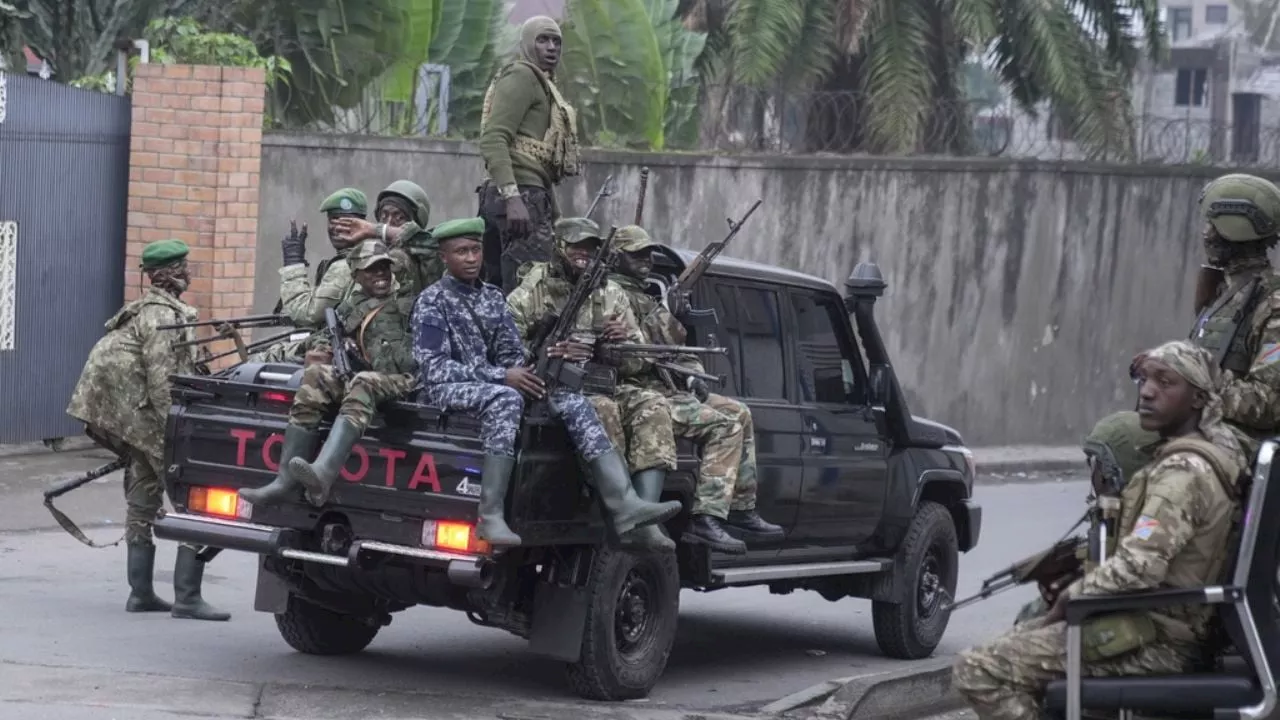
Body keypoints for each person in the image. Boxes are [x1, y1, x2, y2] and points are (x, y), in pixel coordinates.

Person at [952, 340, 1247, 720]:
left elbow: (1139, 568)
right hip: (1156, 626)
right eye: (1144, 379)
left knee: (977, 669)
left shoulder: (1185, 472)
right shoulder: (1206, 454)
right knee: (1017, 639)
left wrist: (1071, 598)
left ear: (1197, 399)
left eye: (1165, 382)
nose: (1147, 391)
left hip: (1156, 641)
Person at [412, 218, 681, 546]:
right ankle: (490, 514)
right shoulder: (432, 300)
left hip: (492, 383)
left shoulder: (493, 298)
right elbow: (433, 368)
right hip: (445, 388)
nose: (471, 258)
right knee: (507, 399)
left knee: (569, 395)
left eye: (476, 250)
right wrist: (503, 376)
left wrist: (538, 366)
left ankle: (623, 502)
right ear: (444, 256)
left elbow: (511, 353)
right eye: (461, 252)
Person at [65, 239, 230, 621]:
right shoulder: (160, 316)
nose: (189, 272)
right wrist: (175, 432)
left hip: (136, 423)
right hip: (154, 421)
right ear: (168, 274)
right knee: (194, 500)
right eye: (184, 266)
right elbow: (163, 382)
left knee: (143, 500)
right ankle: (187, 597)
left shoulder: (150, 311)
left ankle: (141, 594)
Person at [506, 218, 682, 552]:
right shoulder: (534, 287)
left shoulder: (610, 292)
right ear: (559, 247)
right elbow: (504, 344)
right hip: (556, 385)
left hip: (603, 381)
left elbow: (640, 360)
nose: (583, 254)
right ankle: (616, 508)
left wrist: (618, 344)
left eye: (590, 247)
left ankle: (644, 519)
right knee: (602, 410)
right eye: (576, 246)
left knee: (652, 405)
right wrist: (542, 351)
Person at [610, 225, 785, 553]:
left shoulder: (646, 295)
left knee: (739, 412)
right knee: (725, 426)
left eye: (648, 253)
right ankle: (705, 519)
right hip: (636, 391)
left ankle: (742, 508)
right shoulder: (611, 295)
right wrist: (665, 319)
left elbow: (676, 351)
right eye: (636, 254)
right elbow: (633, 358)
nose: (645, 260)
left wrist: (693, 377)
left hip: (666, 387)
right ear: (617, 257)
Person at [250, 241, 418, 508]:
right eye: (372, 270)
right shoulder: (354, 305)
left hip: (402, 380)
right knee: (317, 375)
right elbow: (327, 336)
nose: (381, 275)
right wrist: (329, 348)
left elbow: (426, 257)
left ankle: (324, 472)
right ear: (356, 276)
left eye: (385, 268)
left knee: (364, 382)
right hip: (364, 375)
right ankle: (284, 481)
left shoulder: (406, 299)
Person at [1010, 410, 1159, 627]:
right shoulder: (1116, 512)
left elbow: (1133, 571)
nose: (1094, 474)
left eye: (1098, 464)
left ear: (1116, 470)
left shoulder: (1150, 518)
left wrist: (1075, 590)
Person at [476, 15, 581, 292]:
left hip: (528, 195)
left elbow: (538, 165)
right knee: (528, 292)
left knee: (503, 290)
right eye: (542, 40)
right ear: (526, 44)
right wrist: (513, 197)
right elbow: (494, 138)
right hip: (517, 196)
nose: (551, 48)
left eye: (556, 41)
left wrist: (551, 209)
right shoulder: (522, 76)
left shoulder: (542, 85)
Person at [1187, 173, 1280, 459]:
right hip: (1211, 430)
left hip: (1245, 444)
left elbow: (1270, 403)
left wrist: (1191, 386)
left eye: (1212, 225)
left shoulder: (1272, 306)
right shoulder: (1225, 291)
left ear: (1233, 229)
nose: (1206, 233)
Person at [250, 187, 371, 364]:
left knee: (257, 363)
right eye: (333, 220)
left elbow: (305, 314)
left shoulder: (347, 265)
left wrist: (294, 265)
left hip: (338, 350)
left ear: (362, 225)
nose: (337, 227)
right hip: (330, 343)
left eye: (346, 221)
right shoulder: (358, 256)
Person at [332, 180, 443, 298]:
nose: (388, 223)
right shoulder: (370, 251)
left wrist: (379, 230)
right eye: (383, 216)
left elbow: (432, 244)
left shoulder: (426, 254)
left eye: (399, 217)